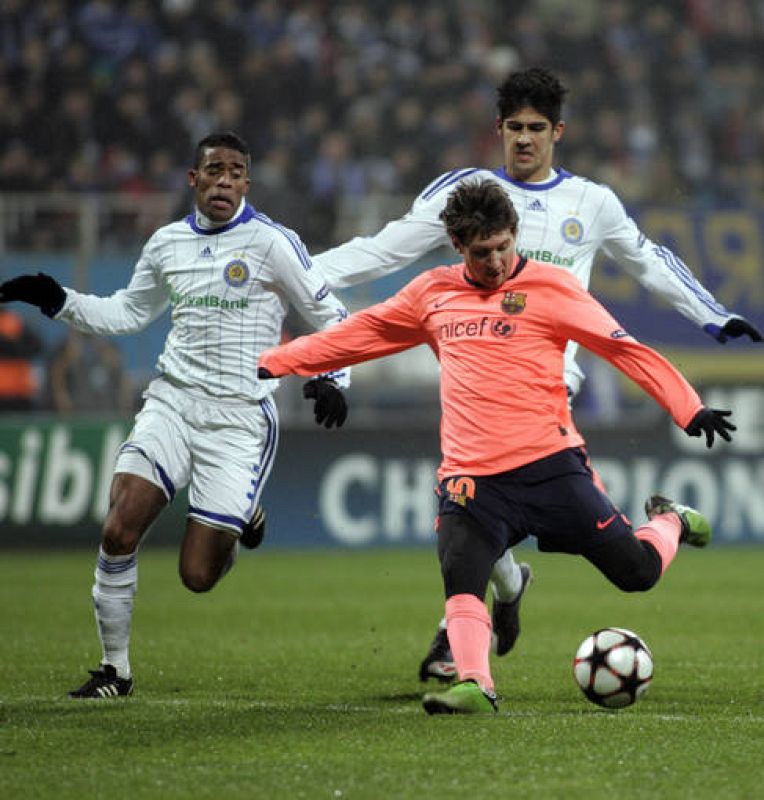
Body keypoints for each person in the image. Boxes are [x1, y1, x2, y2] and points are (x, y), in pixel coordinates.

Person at [307, 66, 761, 682]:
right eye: (515, 128)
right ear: (498, 129)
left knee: (490, 504)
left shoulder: (592, 203)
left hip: (549, 381)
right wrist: (299, 272)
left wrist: (713, 316)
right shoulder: (465, 192)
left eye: (537, 129)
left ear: (558, 132)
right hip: (473, 372)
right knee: (474, 504)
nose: (525, 139)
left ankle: (463, 631)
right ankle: (503, 591)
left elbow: (650, 262)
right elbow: (386, 247)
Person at [257, 179, 735, 714]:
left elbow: (623, 349)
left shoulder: (552, 288)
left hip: (551, 467)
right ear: (459, 248)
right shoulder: (431, 294)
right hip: (471, 476)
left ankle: (668, 520)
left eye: (504, 246)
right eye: (481, 252)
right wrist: (274, 362)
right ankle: (475, 684)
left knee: (637, 574)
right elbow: (360, 332)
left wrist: (687, 406)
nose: (495, 261)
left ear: (515, 235)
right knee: (461, 573)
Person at [0, 131, 350, 699]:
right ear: (195, 178)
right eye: (215, 170)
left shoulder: (272, 243)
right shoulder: (167, 244)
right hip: (172, 401)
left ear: (247, 183)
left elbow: (332, 315)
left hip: (239, 418)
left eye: (237, 172)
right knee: (120, 523)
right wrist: (55, 298)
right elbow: (127, 313)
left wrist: (335, 377)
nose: (226, 181)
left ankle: (243, 518)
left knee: (197, 576)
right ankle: (115, 670)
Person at [0, 307, 43, 411]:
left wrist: (12, 346)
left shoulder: (12, 321)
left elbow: (36, 346)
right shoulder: (12, 321)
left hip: (18, 390)